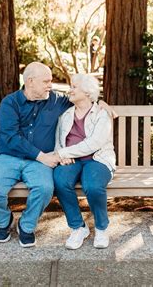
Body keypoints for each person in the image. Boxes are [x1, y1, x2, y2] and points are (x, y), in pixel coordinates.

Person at [0, 62, 68, 248]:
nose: (50, 85)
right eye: (46, 81)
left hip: (38, 162)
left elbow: (83, 98)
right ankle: (4, 221)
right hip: (9, 157)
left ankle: (26, 225)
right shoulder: (10, 103)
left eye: (50, 81)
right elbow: (11, 137)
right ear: (30, 81)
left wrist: (100, 102)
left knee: (44, 189)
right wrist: (41, 156)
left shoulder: (56, 100)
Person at [53, 74, 116, 250]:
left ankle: (102, 227)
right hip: (71, 160)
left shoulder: (101, 114)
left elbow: (94, 143)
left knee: (93, 185)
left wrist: (63, 152)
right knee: (59, 180)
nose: (70, 90)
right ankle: (78, 228)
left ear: (87, 92)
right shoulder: (65, 115)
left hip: (97, 159)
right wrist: (62, 155)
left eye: (74, 87)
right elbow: (59, 139)